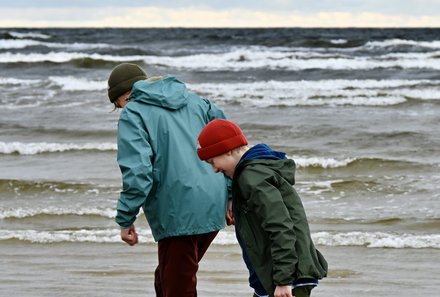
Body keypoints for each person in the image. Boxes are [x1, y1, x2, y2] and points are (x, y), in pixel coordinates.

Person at [106, 63, 229, 297]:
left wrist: (125, 218)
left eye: (118, 104)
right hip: (214, 199)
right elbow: (230, 145)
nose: (121, 109)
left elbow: (138, 172)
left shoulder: (134, 112)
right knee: (168, 277)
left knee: (177, 286)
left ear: (123, 96)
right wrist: (231, 194)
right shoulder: (196, 102)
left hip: (178, 207)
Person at [197, 119, 328, 297]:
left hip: (287, 277)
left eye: (213, 162)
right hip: (278, 273)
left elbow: (280, 226)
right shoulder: (258, 170)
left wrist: (283, 280)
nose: (214, 169)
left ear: (227, 151)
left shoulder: (251, 177)